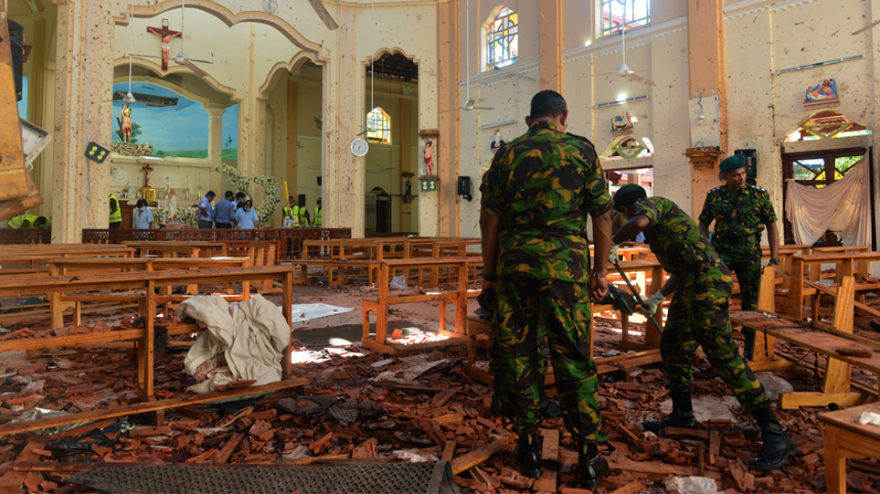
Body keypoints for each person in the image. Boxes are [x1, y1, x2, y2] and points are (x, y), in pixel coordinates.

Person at [609, 184, 796, 471]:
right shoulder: (659, 231)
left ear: (626, 208)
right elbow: (682, 270)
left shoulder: (654, 205)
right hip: (692, 283)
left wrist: (613, 242)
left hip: (708, 282)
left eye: (621, 216)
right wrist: (658, 297)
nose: (625, 221)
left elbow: (639, 222)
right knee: (672, 346)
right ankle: (682, 415)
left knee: (722, 355)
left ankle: (776, 434)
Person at [480, 90, 613, 489]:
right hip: (567, 269)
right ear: (564, 117)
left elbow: (490, 220)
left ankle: (529, 448)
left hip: (515, 267)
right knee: (572, 355)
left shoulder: (506, 154)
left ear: (529, 120)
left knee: (520, 354)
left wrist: (489, 276)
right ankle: (588, 456)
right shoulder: (582, 151)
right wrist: (601, 271)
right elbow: (603, 216)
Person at [698, 155, 780, 360]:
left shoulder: (758, 195)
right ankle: (722, 350)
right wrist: (706, 251)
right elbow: (703, 223)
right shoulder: (714, 196)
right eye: (736, 175)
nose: (742, 178)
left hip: (749, 252)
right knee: (717, 299)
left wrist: (775, 259)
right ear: (724, 176)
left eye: (743, 173)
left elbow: (772, 226)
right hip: (722, 251)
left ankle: (751, 349)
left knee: (750, 300)